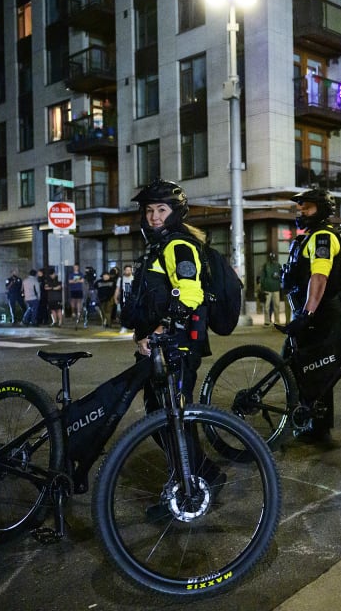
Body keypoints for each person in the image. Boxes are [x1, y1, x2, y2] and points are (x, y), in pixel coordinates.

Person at [126, 179, 223, 515]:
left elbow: (190, 294)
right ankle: (205, 475)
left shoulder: (177, 246)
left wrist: (157, 330)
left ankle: (188, 489)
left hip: (177, 347)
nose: (153, 216)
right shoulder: (160, 244)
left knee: (173, 418)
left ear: (175, 212)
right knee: (164, 415)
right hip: (164, 347)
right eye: (149, 210)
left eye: (161, 209)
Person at [280, 188, 341, 442]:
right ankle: (307, 418)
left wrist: (307, 313)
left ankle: (317, 428)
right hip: (313, 313)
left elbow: (319, 277)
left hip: (319, 315)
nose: (301, 211)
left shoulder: (322, 238)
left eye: (307, 207)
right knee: (298, 366)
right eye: (300, 207)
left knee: (316, 370)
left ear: (321, 210)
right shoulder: (310, 238)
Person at [259, 252, 283, 327]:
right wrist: (262, 287)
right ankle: (267, 321)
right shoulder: (266, 265)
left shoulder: (278, 265)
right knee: (267, 306)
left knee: (276, 306)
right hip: (268, 288)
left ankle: (277, 321)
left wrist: (278, 277)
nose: (272, 259)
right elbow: (262, 277)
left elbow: (281, 275)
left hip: (275, 288)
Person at [115, 264, 134, 334]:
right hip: (123, 299)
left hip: (133, 299)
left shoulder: (134, 278)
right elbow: (117, 289)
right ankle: (124, 327)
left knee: (133, 313)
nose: (128, 271)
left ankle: (134, 327)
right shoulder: (121, 279)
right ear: (124, 271)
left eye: (129, 270)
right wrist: (115, 297)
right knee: (123, 314)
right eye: (127, 270)